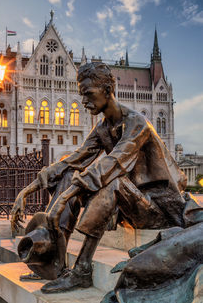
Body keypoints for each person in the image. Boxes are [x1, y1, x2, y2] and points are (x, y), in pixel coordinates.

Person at [11, 62, 201, 293]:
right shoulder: (103, 127)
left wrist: (67, 196)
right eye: (82, 95)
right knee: (71, 173)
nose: (83, 101)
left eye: (88, 94)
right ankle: (54, 262)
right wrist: (28, 190)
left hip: (159, 209)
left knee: (114, 183)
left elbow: (113, 164)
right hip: (134, 205)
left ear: (108, 89)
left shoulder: (136, 123)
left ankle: (81, 271)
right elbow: (74, 160)